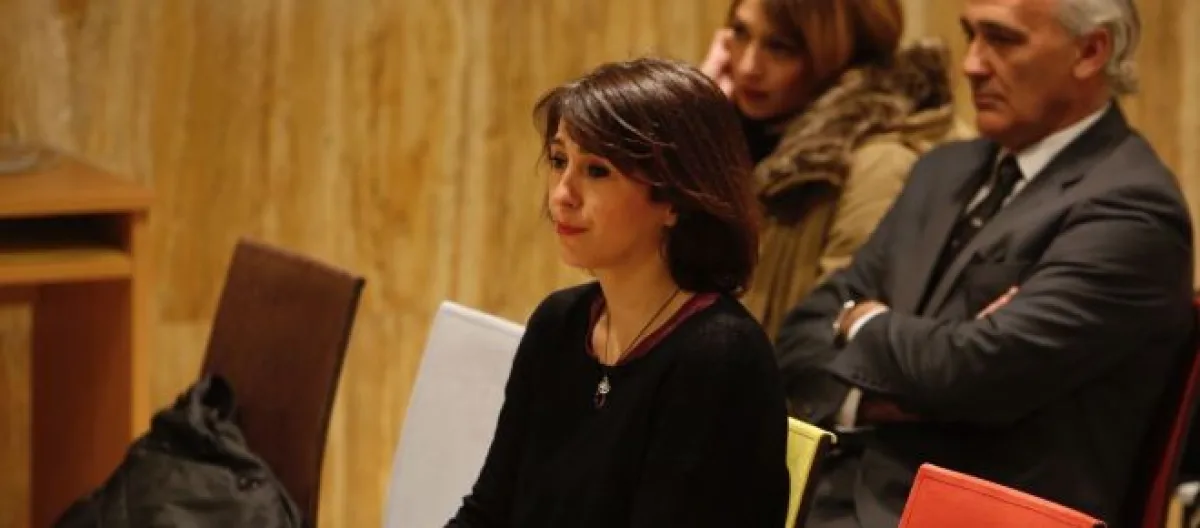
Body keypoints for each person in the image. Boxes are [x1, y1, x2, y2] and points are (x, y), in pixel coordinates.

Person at [773, 0, 1195, 526]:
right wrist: (885, 386)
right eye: (970, 35)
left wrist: (859, 322)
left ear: (1091, 51)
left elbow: (969, 374)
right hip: (834, 496)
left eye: (1003, 39)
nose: (971, 63)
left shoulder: (1132, 209)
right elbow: (800, 335)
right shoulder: (943, 170)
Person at [446, 57, 790, 528]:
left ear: (674, 200)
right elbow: (488, 513)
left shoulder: (720, 359)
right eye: (559, 161)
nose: (562, 194)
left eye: (597, 170)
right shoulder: (559, 323)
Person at [699, 0, 972, 340]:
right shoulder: (743, 138)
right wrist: (692, 123)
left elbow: (834, 338)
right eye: (740, 34)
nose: (748, 66)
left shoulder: (879, 163)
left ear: (844, 54)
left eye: (780, 47)